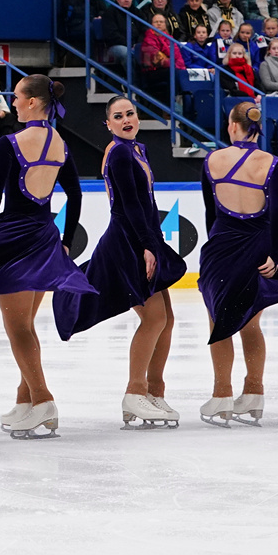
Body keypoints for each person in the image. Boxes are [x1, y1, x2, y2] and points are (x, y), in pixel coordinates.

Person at [52, 98, 188, 428]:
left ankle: (154, 392)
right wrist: (147, 246)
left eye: (130, 114)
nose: (126, 119)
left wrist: (153, 241)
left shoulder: (137, 149)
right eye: (118, 116)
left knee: (166, 319)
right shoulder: (120, 153)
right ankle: (135, 392)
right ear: (108, 124)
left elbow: (147, 202)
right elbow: (130, 205)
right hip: (128, 241)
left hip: (144, 238)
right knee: (154, 318)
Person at [0, 75, 95, 440]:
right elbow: (75, 194)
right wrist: (66, 241)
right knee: (26, 325)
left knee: (18, 329)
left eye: (16, 96)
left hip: (13, 240)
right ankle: (25, 399)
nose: (13, 102)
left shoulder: (10, 143)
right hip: (45, 238)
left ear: (32, 102)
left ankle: (44, 400)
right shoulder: (60, 142)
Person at [197, 102, 278, 428]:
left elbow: (210, 213)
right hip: (257, 249)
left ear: (233, 126)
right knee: (250, 323)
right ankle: (254, 393)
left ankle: (222, 395)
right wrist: (274, 254)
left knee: (219, 321)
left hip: (221, 249)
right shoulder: (273, 163)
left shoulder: (212, 160)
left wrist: (216, 247)